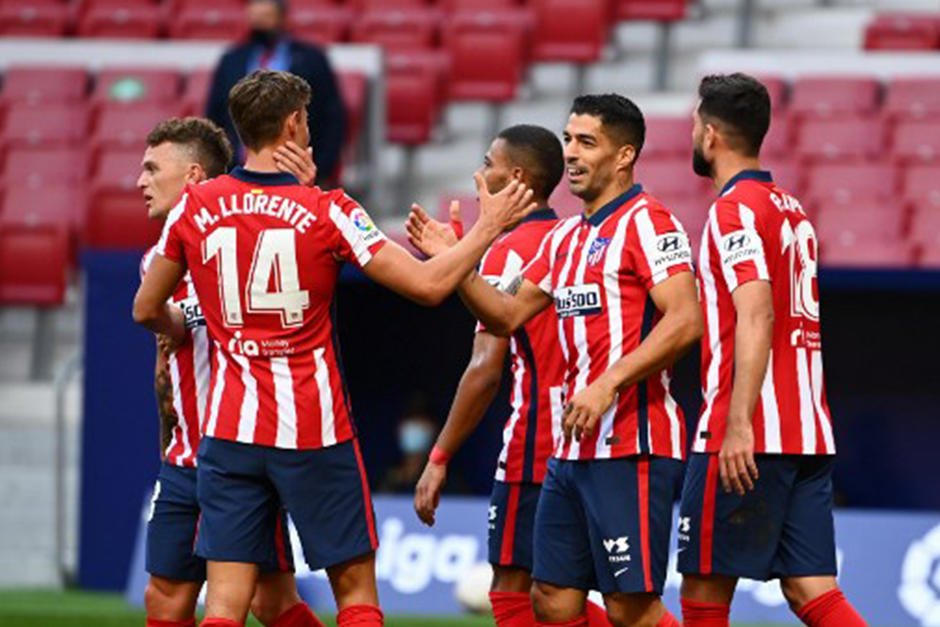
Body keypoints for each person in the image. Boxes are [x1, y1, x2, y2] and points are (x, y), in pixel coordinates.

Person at [133, 69, 536, 627]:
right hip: (312, 428)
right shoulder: (330, 211)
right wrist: (486, 228)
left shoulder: (196, 207)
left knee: (226, 604)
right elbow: (428, 286)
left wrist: (179, 327)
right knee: (355, 591)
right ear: (296, 122)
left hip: (228, 432)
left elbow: (144, 308)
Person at [407, 95, 702, 627]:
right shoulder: (565, 238)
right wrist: (458, 259)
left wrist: (607, 383)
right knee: (550, 598)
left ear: (624, 156)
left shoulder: (650, 222)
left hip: (631, 444)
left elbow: (686, 320)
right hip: (570, 453)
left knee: (629, 608)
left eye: (587, 142)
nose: (571, 153)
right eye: (568, 139)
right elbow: (504, 315)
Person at [675, 73, 869, 627]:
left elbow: (756, 313)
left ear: (710, 135)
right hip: (807, 429)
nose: (692, 133)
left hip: (750, 430)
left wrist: (738, 422)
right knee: (812, 589)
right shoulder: (792, 209)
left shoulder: (733, 210)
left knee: (704, 591)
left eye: (694, 123)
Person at [136, 116, 325, 627]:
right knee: (165, 597)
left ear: (194, 177)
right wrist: (166, 437)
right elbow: (165, 371)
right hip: (184, 458)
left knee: (270, 601)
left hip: (242, 451)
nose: (140, 182)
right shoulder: (157, 260)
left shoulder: (252, 242)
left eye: (153, 169)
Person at [206, 0, 345, 183]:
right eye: (256, 19)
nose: (260, 25)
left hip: (296, 170)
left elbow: (332, 116)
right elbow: (215, 113)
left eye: (266, 17)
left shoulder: (311, 59)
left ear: (282, 18)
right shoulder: (232, 60)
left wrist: (320, 169)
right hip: (238, 171)